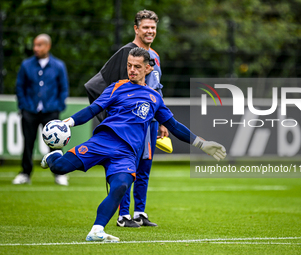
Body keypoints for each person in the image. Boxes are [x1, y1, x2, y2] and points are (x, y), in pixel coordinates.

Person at [40, 48, 226, 242]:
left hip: (126, 153)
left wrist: (201, 144)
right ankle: (53, 156)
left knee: (120, 186)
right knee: (60, 168)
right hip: (103, 141)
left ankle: (97, 230)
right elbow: (93, 109)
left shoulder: (155, 98)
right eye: (129, 66)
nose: (132, 70)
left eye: (137, 67)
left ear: (148, 68)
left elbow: (174, 126)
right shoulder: (117, 87)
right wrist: (67, 123)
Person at [84, 10, 166, 227]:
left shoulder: (154, 56)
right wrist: (110, 115)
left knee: (144, 167)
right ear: (136, 29)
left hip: (150, 121)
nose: (150, 31)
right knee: (126, 167)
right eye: (145, 27)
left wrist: (163, 119)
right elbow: (96, 85)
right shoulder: (126, 53)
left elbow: (156, 90)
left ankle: (139, 212)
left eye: (153, 27)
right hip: (130, 124)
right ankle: (123, 216)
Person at [13, 33, 69, 186]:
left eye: (39, 45)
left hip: (51, 111)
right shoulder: (26, 65)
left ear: (47, 46)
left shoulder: (58, 66)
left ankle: (58, 173)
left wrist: (58, 106)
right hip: (29, 111)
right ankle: (25, 173)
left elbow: (63, 89)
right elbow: (20, 87)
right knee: (28, 143)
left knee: (55, 144)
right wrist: (24, 107)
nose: (35, 48)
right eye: (34, 45)